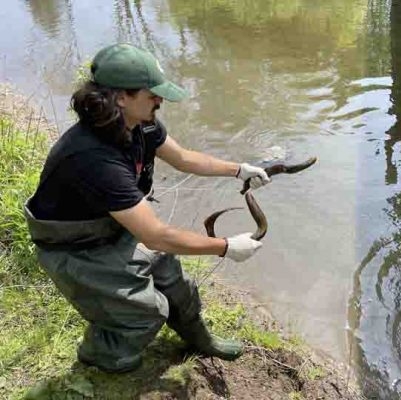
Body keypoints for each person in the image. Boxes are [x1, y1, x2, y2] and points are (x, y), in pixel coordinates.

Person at [23, 43, 272, 373]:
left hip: (112, 229)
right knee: (144, 312)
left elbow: (184, 159)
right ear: (121, 97)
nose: (160, 100)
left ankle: (201, 340)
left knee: (176, 283)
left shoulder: (141, 123)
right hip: (76, 249)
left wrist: (238, 169)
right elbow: (156, 236)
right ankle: (102, 357)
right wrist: (225, 247)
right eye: (152, 93)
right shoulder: (94, 158)